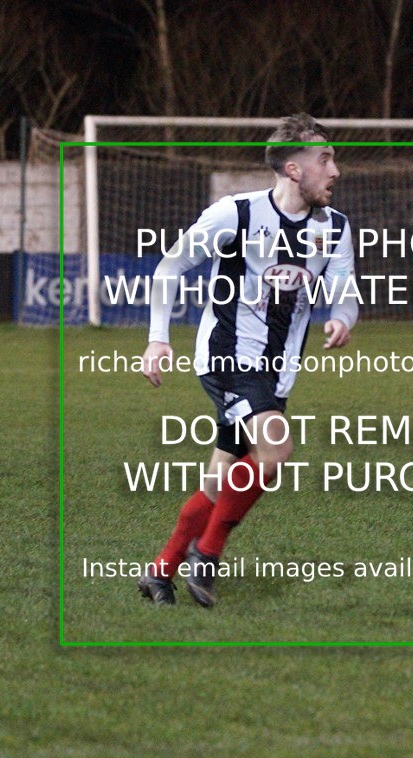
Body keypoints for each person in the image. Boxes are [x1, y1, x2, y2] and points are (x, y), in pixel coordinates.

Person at [138, 113, 358, 606]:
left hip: (277, 373)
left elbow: (346, 293)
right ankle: (208, 553)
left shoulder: (335, 227)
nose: (336, 170)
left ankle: (160, 571)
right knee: (275, 450)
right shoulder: (234, 214)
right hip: (228, 358)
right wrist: (158, 338)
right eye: (325, 158)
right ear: (293, 169)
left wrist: (343, 317)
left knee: (219, 481)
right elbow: (170, 265)